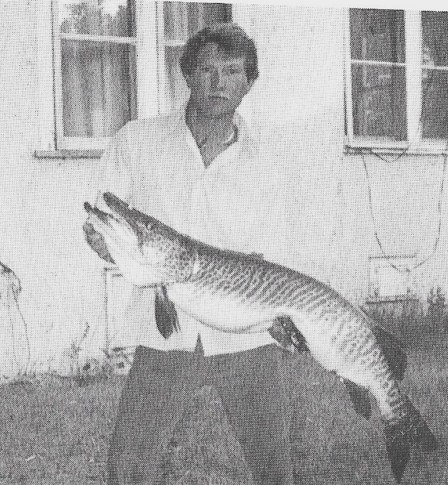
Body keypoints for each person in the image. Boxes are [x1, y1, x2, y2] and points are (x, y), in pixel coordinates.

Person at [84, 23, 294, 485]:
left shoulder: (270, 156)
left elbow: (275, 252)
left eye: (231, 71)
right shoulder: (137, 140)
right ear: (187, 75)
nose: (218, 82)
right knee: (128, 464)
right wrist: (101, 243)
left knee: (274, 468)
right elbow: (104, 220)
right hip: (166, 333)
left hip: (247, 335)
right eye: (206, 69)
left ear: (249, 81)